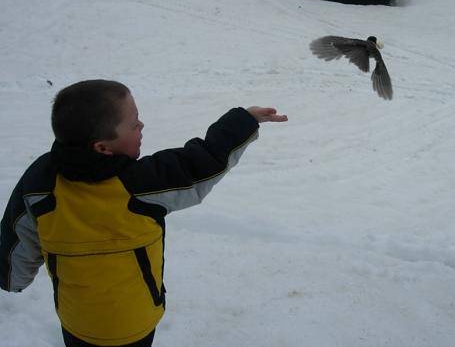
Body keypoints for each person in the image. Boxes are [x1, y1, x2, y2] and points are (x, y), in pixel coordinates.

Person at [0, 79, 287, 346]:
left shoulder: (39, 182)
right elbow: (202, 163)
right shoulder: (139, 184)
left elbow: (17, 236)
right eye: (134, 124)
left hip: (77, 323)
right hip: (133, 325)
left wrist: (12, 278)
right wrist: (244, 120)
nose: (142, 125)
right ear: (102, 147)